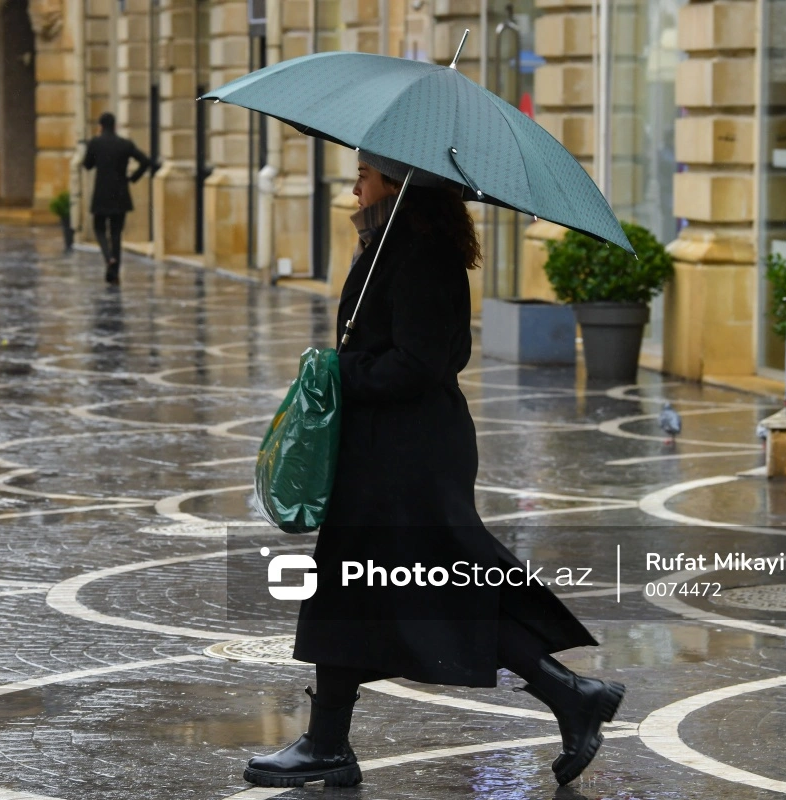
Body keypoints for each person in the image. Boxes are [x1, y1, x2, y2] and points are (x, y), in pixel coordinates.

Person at [242, 158, 625, 790]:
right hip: (392, 452)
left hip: (405, 457)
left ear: (397, 183)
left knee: (412, 584)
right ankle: (331, 740)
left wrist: (345, 372)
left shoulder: (416, 251)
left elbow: (420, 364)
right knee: (362, 587)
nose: (354, 186)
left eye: (364, 174)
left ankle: (567, 694)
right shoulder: (398, 244)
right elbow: (443, 351)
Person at [82, 111, 151, 284]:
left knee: (99, 228)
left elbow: (87, 165)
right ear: (115, 126)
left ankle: (108, 258)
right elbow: (145, 161)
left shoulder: (96, 143)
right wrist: (132, 178)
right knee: (116, 233)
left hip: (101, 193)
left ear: (100, 126)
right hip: (120, 193)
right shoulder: (125, 144)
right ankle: (114, 272)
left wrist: (93, 146)